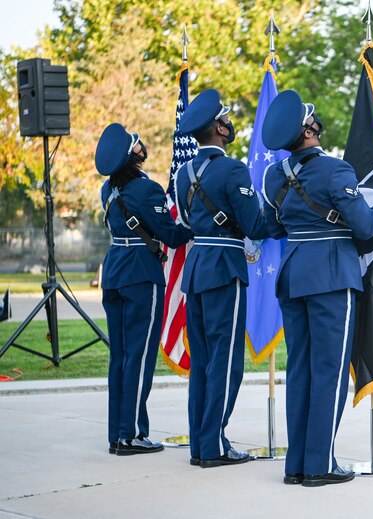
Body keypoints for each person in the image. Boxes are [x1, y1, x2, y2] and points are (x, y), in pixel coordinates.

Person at [260, 90, 373, 487]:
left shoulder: (274, 177)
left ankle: (297, 465)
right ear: (308, 131)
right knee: (330, 371)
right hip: (331, 276)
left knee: (300, 369)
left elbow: (269, 227)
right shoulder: (336, 171)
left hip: (293, 274)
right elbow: (368, 227)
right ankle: (319, 465)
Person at [175, 89, 269, 468]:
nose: (230, 124)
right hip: (224, 267)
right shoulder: (232, 170)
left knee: (202, 361)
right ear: (218, 128)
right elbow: (253, 225)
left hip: (197, 266)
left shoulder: (184, 173)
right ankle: (213, 444)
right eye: (226, 119)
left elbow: (184, 220)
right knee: (226, 361)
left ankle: (201, 442)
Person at [96, 123, 193, 456]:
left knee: (120, 356)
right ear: (131, 155)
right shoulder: (146, 190)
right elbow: (170, 234)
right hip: (141, 273)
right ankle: (132, 434)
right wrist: (193, 222)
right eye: (136, 143)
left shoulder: (107, 191)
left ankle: (117, 432)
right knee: (139, 355)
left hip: (114, 270)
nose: (141, 145)